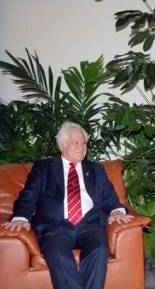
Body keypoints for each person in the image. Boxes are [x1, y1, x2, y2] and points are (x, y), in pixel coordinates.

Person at [1, 121, 134, 289]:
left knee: (99, 250)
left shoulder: (95, 169)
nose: (81, 147)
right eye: (75, 142)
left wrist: (116, 211)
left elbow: (110, 197)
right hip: (54, 226)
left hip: (90, 225)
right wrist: (20, 216)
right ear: (62, 145)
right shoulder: (44, 167)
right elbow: (29, 194)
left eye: (84, 143)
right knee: (56, 254)